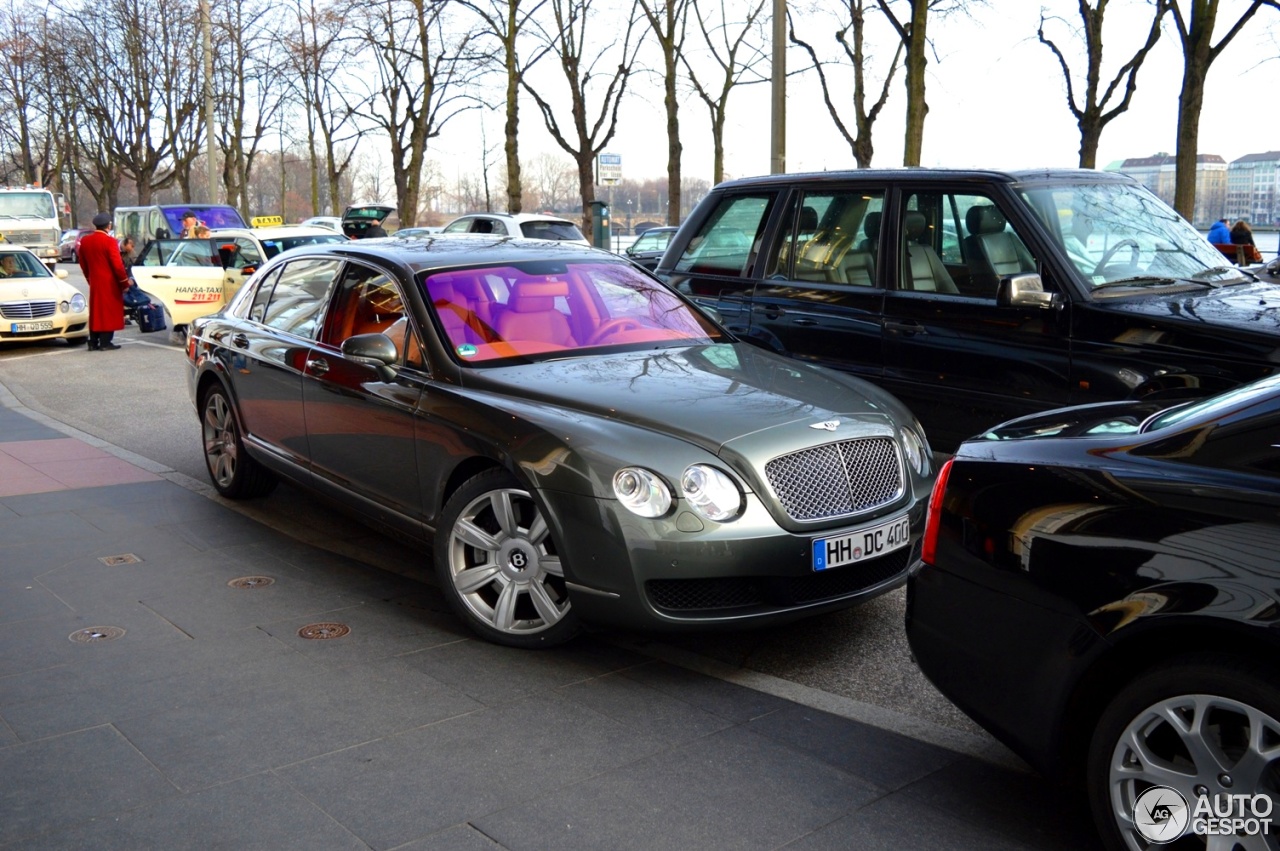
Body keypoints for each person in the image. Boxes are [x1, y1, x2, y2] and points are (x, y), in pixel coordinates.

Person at [78, 212, 132, 351]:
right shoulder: (110, 242)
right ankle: (105, 342)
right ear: (108, 226)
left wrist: (89, 278)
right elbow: (117, 265)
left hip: (95, 281)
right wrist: (124, 282)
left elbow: (83, 264)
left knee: (96, 311)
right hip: (109, 282)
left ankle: (93, 341)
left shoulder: (85, 241)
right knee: (109, 312)